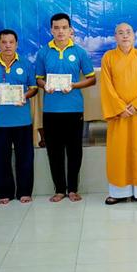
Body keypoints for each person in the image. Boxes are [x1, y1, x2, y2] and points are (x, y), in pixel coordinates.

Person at [36, 13, 96, 202]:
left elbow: (92, 79)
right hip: (51, 110)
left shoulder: (80, 52)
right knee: (54, 151)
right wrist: (45, 85)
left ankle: (73, 189)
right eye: (56, 28)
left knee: (74, 150)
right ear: (51, 30)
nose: (60, 31)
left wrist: (74, 85)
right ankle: (60, 189)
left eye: (64, 28)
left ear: (71, 30)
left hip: (74, 109)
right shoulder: (43, 52)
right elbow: (38, 79)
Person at [100, 23, 137, 205]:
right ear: (115, 37)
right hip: (119, 115)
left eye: (128, 32)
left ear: (134, 36)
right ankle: (117, 192)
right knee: (118, 152)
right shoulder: (108, 57)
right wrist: (119, 108)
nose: (125, 36)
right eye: (121, 33)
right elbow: (106, 85)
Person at [0, 29, 38, 204]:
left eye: (11, 42)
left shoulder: (26, 63)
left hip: (22, 120)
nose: (8, 45)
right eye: (4, 42)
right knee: (1, 159)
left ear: (16, 44)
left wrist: (25, 96)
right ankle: (5, 193)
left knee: (25, 158)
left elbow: (34, 88)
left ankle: (25, 192)